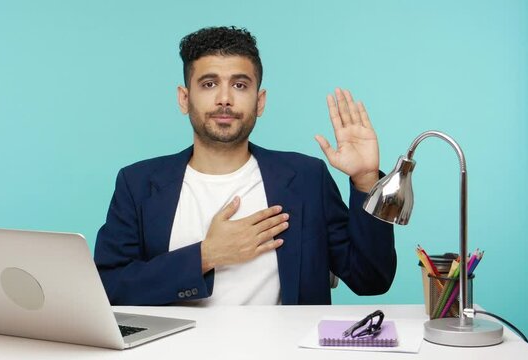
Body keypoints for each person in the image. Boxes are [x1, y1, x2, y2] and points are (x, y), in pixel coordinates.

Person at [94, 26, 396, 306]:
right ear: (184, 98)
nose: (224, 99)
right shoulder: (137, 183)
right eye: (209, 83)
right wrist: (205, 256)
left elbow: (371, 279)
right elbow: (108, 287)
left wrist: (366, 179)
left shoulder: (307, 178)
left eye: (239, 84)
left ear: (259, 101)